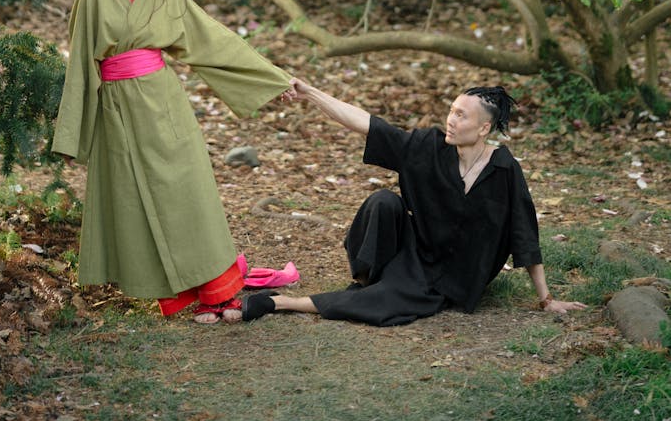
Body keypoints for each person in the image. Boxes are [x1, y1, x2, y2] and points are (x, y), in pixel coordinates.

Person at [52, 0, 293, 325]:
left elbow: (213, 43)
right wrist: (75, 133)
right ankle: (182, 294)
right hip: (117, 115)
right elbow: (81, 68)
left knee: (190, 195)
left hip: (164, 106)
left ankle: (217, 293)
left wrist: (272, 80)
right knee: (135, 202)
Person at [243, 80, 587, 325]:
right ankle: (365, 282)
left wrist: (546, 299)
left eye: (461, 116)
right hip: (418, 251)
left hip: (458, 275)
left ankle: (281, 303)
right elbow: (368, 125)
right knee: (382, 202)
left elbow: (523, 233)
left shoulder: (504, 169)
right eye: (451, 111)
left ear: (484, 129)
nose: (451, 120)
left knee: (396, 298)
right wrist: (310, 93)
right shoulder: (429, 147)